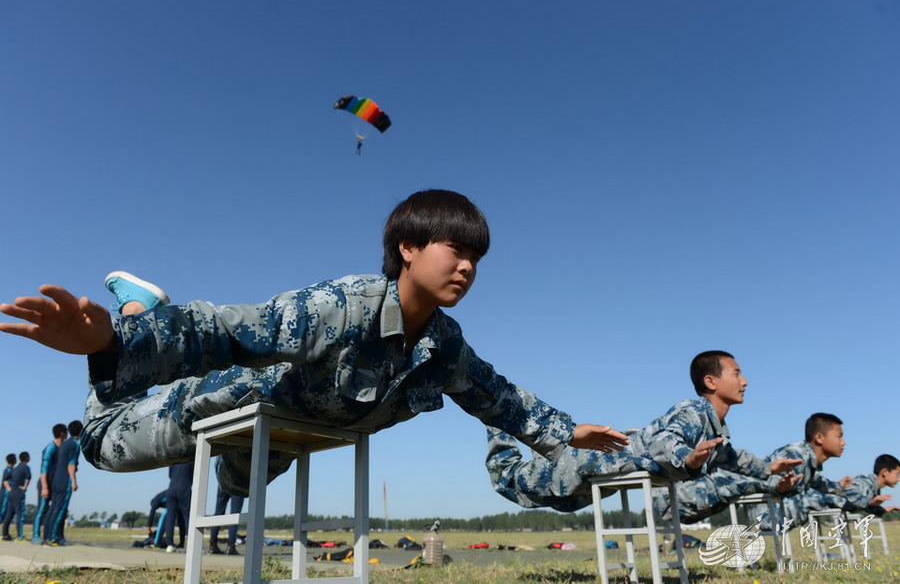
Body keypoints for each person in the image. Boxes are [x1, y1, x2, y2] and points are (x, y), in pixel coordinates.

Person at [0, 189, 628, 496]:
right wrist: (113, 339)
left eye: (476, 258)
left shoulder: (444, 344)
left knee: (239, 488)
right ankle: (138, 306)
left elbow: (499, 397)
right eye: (455, 250)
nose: (466, 267)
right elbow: (230, 329)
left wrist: (568, 433)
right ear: (408, 249)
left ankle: (137, 319)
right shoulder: (342, 306)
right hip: (234, 400)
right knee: (101, 446)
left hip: (300, 428)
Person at [485, 351, 801, 511]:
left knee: (561, 502)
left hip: (597, 471)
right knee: (508, 479)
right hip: (583, 463)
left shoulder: (712, 429)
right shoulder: (692, 411)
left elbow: (736, 459)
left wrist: (770, 469)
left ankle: (506, 412)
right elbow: (666, 442)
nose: (744, 381)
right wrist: (688, 460)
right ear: (711, 382)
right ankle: (498, 411)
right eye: (737, 373)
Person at [658, 412, 850, 528]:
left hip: (717, 496)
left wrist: (837, 487)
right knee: (668, 508)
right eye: (839, 436)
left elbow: (817, 481)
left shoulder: (808, 462)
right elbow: (765, 476)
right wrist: (779, 487)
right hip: (696, 493)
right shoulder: (796, 455)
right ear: (819, 438)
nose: (843, 442)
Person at [46, 420, 82, 546]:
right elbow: (71, 464)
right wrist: (73, 481)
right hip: (64, 480)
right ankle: (53, 538)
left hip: (56, 479)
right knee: (60, 510)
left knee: (54, 508)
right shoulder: (75, 445)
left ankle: (49, 536)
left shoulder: (64, 444)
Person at [33, 423, 68, 544]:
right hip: (45, 483)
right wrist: (44, 487)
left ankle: (54, 536)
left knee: (55, 509)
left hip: (54, 483)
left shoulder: (62, 448)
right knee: (42, 509)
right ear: (62, 433)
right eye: (66, 432)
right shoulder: (51, 448)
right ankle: (36, 536)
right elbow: (44, 468)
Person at [162, 461, 194, 553]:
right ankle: (190, 544)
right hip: (185, 488)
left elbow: (170, 475)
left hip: (172, 488)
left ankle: (169, 544)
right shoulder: (191, 460)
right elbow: (193, 475)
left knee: (170, 517)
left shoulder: (174, 459)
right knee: (187, 517)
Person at [209, 476, 245, 555]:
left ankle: (212, 544)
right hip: (238, 481)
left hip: (223, 479)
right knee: (235, 514)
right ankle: (230, 546)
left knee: (218, 513)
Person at [2, 452, 31, 541]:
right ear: (26, 458)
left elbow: (5, 480)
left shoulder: (14, 469)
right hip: (18, 492)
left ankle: (4, 534)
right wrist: (25, 487)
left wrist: (10, 489)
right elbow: (28, 477)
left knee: (9, 514)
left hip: (11, 494)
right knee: (19, 514)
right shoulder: (25, 467)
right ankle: (20, 536)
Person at [0, 454, 15, 526]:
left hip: (9, 494)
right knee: (2, 512)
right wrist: (11, 491)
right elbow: (6, 482)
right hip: (6, 495)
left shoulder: (11, 470)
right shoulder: (8, 470)